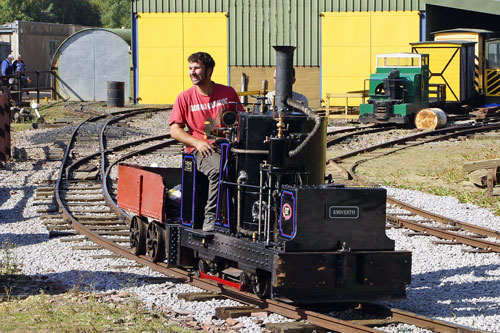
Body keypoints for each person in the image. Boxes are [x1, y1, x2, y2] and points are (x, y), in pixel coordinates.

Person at [169, 52, 243, 232]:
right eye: (190, 68)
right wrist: (196, 143)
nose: (192, 72)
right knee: (219, 170)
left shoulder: (227, 92)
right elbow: (175, 130)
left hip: (227, 146)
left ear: (209, 71)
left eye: (197, 68)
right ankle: (211, 217)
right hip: (200, 149)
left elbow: (241, 118)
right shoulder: (184, 97)